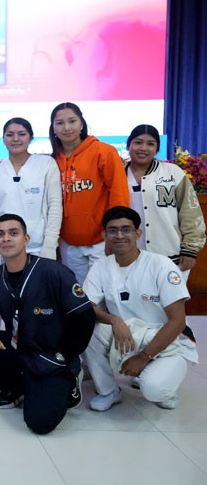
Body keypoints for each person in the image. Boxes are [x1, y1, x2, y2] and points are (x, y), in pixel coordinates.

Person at [0, 214, 96, 434]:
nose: (6, 239)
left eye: (13, 233)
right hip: (18, 348)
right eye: (0, 234)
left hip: (51, 355)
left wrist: (63, 356)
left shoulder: (53, 272)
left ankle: (69, 380)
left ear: (26, 239)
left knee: (39, 423)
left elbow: (85, 318)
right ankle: (17, 387)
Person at [83, 206, 198, 411]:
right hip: (127, 334)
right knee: (88, 328)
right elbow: (87, 306)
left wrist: (144, 357)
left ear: (138, 233)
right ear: (104, 235)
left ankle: (163, 384)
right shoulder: (101, 266)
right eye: (113, 230)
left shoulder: (161, 266)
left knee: (154, 390)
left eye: (126, 229)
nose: (119, 235)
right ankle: (109, 391)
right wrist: (114, 320)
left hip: (168, 342)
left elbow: (177, 321)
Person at [51, 102, 129, 283]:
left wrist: (114, 235)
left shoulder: (104, 152)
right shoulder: (53, 160)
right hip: (69, 243)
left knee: (105, 294)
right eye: (60, 123)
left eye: (72, 121)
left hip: (101, 241)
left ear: (82, 124)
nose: (67, 127)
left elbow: (119, 195)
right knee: (78, 295)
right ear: (53, 128)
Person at [124, 124, 205, 281]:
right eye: (138, 142)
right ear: (128, 145)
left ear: (157, 148)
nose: (143, 148)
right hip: (128, 256)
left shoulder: (172, 173)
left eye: (150, 144)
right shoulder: (117, 175)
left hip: (169, 255)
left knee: (170, 304)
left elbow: (191, 211)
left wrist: (190, 248)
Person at [0, 117, 62, 259]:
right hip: (5, 250)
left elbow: (55, 206)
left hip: (39, 248)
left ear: (31, 138)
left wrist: (49, 246)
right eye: (10, 135)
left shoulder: (46, 164)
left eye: (22, 134)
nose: (15, 139)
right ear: (3, 139)